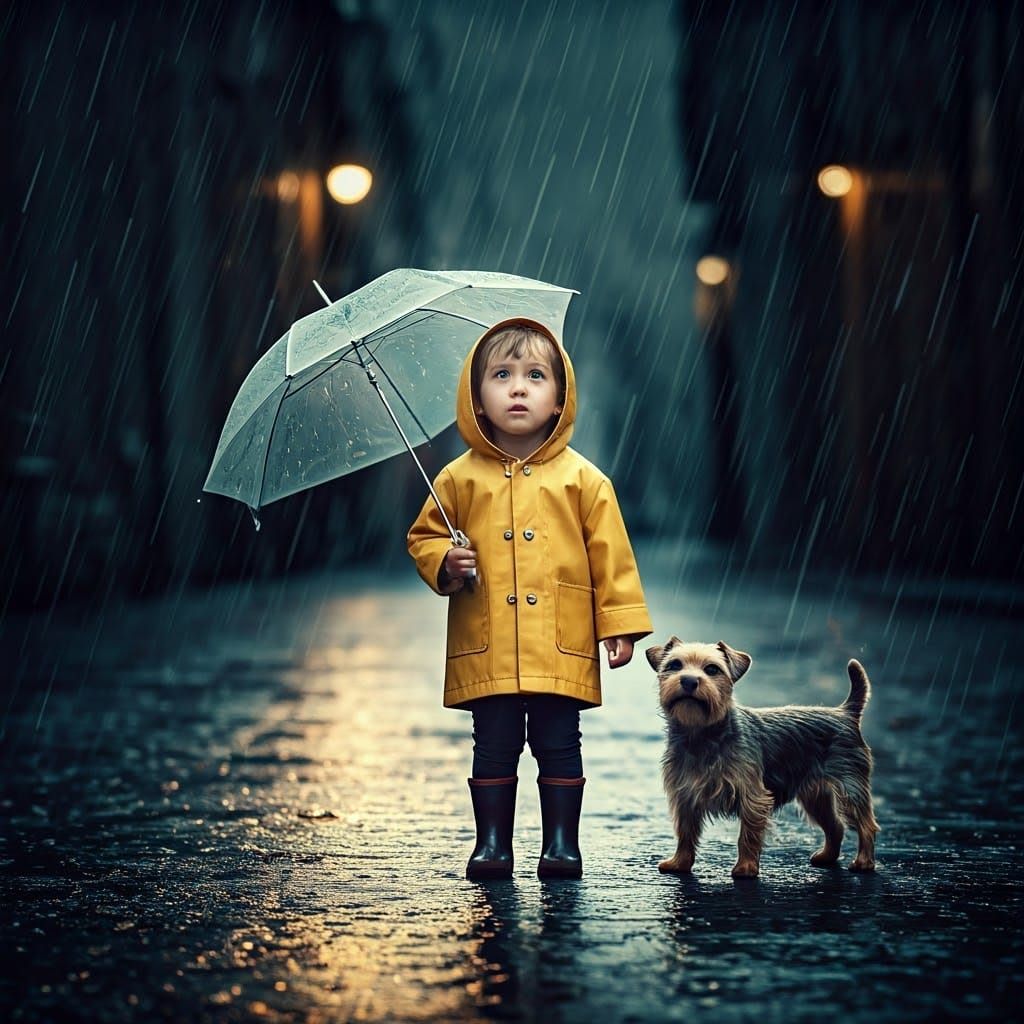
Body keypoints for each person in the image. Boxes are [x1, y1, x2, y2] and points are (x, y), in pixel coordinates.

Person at [407, 318, 652, 879]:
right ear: (476, 398)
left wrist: (618, 623)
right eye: (501, 375)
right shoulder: (457, 480)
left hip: (559, 643)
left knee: (559, 742)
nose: (518, 388)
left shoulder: (584, 481)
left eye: (535, 376)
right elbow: (424, 537)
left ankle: (562, 844)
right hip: (489, 643)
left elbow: (611, 557)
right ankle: (492, 843)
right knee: (492, 745)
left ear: (561, 397)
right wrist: (445, 560)